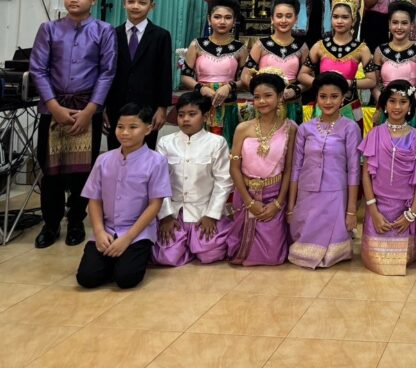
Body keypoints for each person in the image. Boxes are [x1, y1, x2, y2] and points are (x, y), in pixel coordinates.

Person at [29, 0, 117, 249]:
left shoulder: (104, 31)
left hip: (87, 108)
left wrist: (91, 110)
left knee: (83, 170)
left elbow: (107, 72)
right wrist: (53, 106)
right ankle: (51, 223)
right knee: (50, 169)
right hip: (53, 109)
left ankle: (77, 220)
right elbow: (38, 69)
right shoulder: (49, 29)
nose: (73, 0)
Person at [76, 104, 171, 289]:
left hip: (137, 232)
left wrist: (127, 238)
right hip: (107, 229)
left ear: (148, 129)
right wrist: (99, 232)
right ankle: (113, 258)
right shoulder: (103, 160)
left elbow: (154, 205)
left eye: (133, 127)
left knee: (126, 279)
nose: (125, 133)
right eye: (120, 127)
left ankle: (130, 257)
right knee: (86, 278)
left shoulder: (156, 161)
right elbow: (94, 199)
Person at [287, 72, 361, 268]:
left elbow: (354, 170)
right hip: (307, 193)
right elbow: (296, 167)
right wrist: (291, 206)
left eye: (334, 96)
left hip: (335, 194)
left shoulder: (350, 128)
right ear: (316, 98)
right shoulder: (305, 128)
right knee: (300, 248)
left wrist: (351, 211)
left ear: (343, 98)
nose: (328, 102)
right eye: (323, 96)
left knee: (332, 254)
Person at [152, 91, 233, 266]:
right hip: (175, 213)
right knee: (166, 258)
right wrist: (165, 216)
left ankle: (194, 242)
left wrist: (212, 215)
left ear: (205, 116)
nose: (185, 119)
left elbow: (223, 182)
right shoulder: (165, 142)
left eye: (192, 114)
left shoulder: (217, 142)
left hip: (203, 211)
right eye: (181, 115)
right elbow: (158, 181)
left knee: (210, 254)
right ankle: (185, 243)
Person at [226, 69, 296, 266]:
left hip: (274, 196)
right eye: (257, 97)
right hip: (245, 193)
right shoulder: (243, 128)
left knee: (273, 256)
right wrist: (249, 202)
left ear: (280, 97)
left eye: (268, 96)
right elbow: (234, 168)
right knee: (236, 251)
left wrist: (278, 204)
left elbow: (289, 169)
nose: (262, 101)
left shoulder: (290, 128)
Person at [359, 80, 416, 275]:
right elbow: (366, 176)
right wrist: (373, 211)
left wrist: (411, 214)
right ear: (384, 104)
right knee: (376, 260)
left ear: (411, 106)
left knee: (403, 259)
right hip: (378, 208)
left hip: (404, 211)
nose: (397, 107)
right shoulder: (374, 134)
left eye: (403, 102)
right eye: (392, 101)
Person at [299, 0, 376, 124]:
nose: (339, 21)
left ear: (353, 19)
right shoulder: (320, 46)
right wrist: (321, 82)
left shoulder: (362, 49)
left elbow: (372, 81)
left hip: (350, 106)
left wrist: (350, 83)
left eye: (345, 17)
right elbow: (302, 75)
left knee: (351, 138)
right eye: (335, 17)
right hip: (323, 104)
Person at [105, 0, 172, 150]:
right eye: (131, 1)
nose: (135, 6)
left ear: (152, 6)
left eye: (142, 2)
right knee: (116, 150)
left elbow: (164, 73)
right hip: (116, 105)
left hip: (147, 106)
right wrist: (102, 106)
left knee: (145, 151)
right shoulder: (112, 34)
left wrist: (162, 108)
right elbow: (105, 72)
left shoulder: (161, 36)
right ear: (124, 3)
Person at [180, 0, 249, 145]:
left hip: (228, 104)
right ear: (209, 19)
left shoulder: (240, 48)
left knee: (226, 145)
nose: (222, 21)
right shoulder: (197, 44)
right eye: (217, 17)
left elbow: (245, 80)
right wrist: (201, 88)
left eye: (228, 17)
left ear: (234, 21)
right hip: (201, 103)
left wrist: (229, 87)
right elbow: (185, 76)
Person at [242, 0, 308, 125]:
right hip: (264, 104)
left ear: (296, 19)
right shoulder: (261, 45)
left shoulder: (302, 47)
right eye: (279, 16)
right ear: (272, 19)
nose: (283, 20)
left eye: (288, 16)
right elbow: (245, 76)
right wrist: (263, 92)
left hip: (291, 103)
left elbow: (306, 79)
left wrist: (295, 90)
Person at [367, 0, 416, 126]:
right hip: (384, 108)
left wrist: (409, 101)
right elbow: (374, 83)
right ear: (389, 25)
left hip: (410, 108)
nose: (399, 27)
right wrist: (384, 101)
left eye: (404, 23)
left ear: (412, 26)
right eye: (395, 22)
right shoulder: (380, 51)